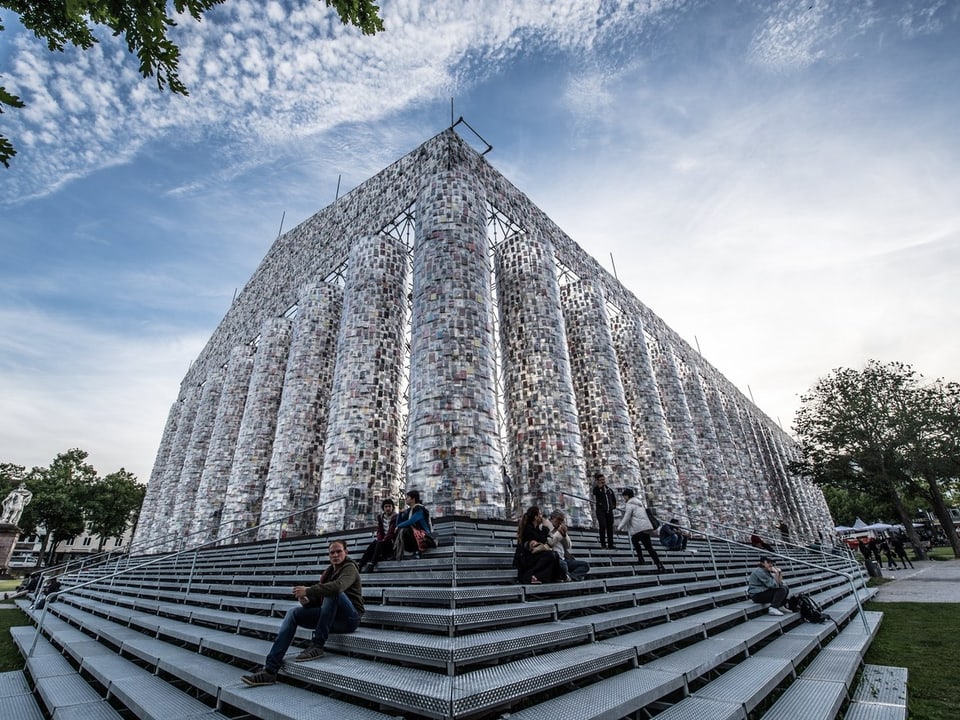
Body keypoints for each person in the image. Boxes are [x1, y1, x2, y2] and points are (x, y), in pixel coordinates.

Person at [242, 539, 363, 686]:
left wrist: (308, 590)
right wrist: (307, 601)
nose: (335, 555)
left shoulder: (350, 568)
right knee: (294, 613)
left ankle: (317, 645)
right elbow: (321, 603)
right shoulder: (328, 573)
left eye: (339, 551)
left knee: (334, 591)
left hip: (350, 619)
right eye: (332, 552)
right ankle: (270, 670)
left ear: (346, 552)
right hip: (331, 617)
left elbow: (338, 587)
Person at [617, 488, 665, 572]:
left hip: (640, 528)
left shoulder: (630, 504)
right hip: (644, 527)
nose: (624, 498)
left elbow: (627, 517)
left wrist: (619, 527)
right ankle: (641, 559)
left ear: (627, 496)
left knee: (648, 547)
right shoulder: (639, 503)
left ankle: (659, 565)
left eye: (624, 496)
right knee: (635, 540)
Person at [514, 506, 563, 584]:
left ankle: (555, 577)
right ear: (535, 517)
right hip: (525, 559)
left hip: (533, 556)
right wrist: (544, 526)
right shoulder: (528, 528)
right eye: (540, 514)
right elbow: (542, 540)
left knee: (554, 555)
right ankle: (529, 576)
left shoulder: (536, 529)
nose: (541, 517)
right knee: (550, 555)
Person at [546, 509, 590, 581]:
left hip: (564, 558)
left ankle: (570, 577)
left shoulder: (560, 529)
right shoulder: (546, 528)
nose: (560, 522)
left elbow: (569, 546)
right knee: (563, 565)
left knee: (585, 565)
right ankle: (566, 576)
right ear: (552, 518)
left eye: (562, 520)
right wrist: (559, 534)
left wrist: (564, 535)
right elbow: (550, 543)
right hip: (554, 561)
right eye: (558, 519)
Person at [394, 490, 435, 560]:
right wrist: (400, 513)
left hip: (426, 537)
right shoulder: (409, 510)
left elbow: (411, 521)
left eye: (407, 497)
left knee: (405, 530)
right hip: (416, 536)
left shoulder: (420, 508)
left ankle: (416, 552)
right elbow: (398, 524)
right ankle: (413, 551)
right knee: (400, 530)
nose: (405, 499)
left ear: (413, 499)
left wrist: (399, 526)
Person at [358, 498, 397, 572]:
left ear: (392, 507)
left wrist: (383, 540)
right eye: (386, 507)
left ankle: (372, 564)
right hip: (382, 543)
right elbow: (379, 530)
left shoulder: (396, 517)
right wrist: (380, 539)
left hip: (392, 543)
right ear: (383, 508)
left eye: (389, 506)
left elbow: (391, 532)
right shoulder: (381, 517)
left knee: (379, 542)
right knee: (374, 543)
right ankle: (360, 564)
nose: (388, 508)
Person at [592, 473, 617, 549]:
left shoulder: (609, 490)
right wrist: (599, 488)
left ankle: (610, 544)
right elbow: (594, 494)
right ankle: (603, 544)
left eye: (603, 479)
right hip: (601, 511)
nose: (602, 481)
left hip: (609, 511)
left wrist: (613, 506)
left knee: (610, 528)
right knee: (602, 526)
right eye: (600, 480)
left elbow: (613, 499)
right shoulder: (597, 489)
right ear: (597, 481)